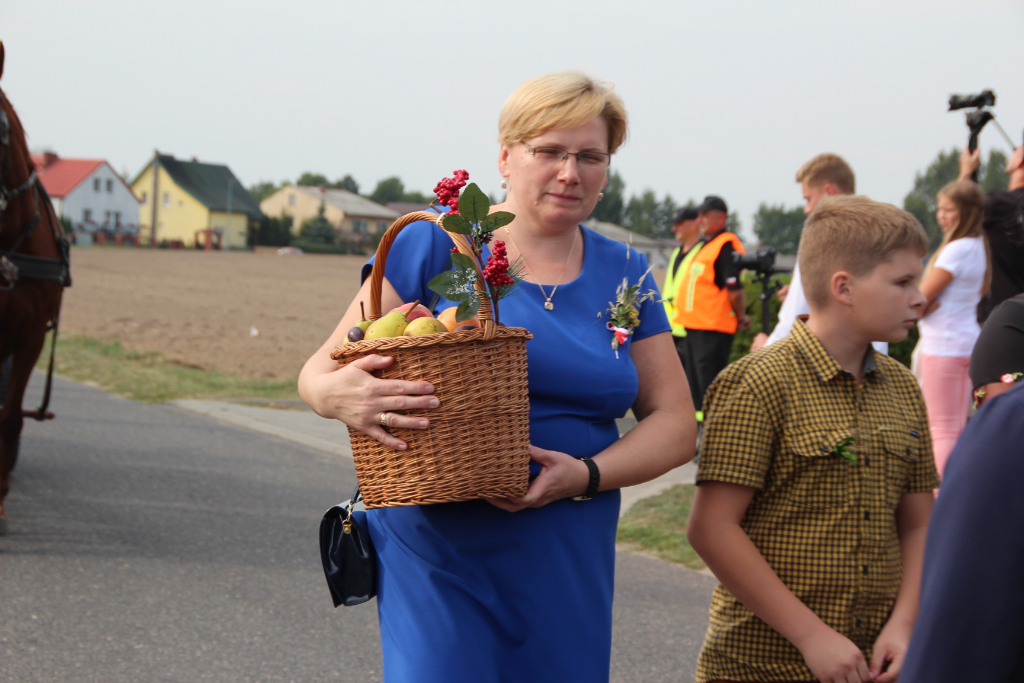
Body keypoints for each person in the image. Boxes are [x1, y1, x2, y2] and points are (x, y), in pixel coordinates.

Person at [297, 71, 696, 683]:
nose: (571, 172)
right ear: (505, 157)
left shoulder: (627, 272)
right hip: (439, 541)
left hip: (569, 544)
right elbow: (318, 374)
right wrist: (339, 396)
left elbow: (674, 423)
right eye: (550, 151)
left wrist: (586, 475)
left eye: (591, 156)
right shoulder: (440, 243)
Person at [687, 196, 938, 683]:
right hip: (763, 664)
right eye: (902, 282)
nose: (920, 297)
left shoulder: (904, 386)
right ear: (843, 287)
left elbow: (918, 525)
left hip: (873, 662)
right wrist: (811, 636)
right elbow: (712, 528)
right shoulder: (758, 383)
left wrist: (905, 625)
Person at [900, 293, 1024, 683]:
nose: (917, 296)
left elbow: (954, 645)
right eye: (977, 397)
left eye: (1011, 381)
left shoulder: (1009, 430)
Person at [750, 153, 888, 356]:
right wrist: (813, 296)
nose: (806, 209)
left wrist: (766, 348)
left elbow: (793, 320)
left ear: (829, 192)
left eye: (808, 199)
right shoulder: (881, 234)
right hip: (876, 362)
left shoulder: (819, 242)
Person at [917, 180, 990, 477]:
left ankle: (939, 496)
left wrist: (922, 302)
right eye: (940, 208)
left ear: (966, 213)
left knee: (941, 428)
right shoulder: (977, 246)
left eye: (949, 209)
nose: (941, 215)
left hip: (942, 347)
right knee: (957, 426)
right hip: (965, 343)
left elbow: (919, 299)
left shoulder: (955, 249)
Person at [674, 195, 748, 418]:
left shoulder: (725, 245)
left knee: (710, 388)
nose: (701, 219)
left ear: (721, 217)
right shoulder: (708, 245)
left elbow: (735, 288)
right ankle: (699, 437)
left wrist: (741, 315)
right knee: (695, 390)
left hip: (713, 329)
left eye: (706, 215)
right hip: (696, 327)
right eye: (700, 215)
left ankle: (713, 439)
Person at [957, 142, 1024, 322]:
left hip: (998, 317)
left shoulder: (998, 204)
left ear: (1020, 161)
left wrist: (966, 173)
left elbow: (956, 217)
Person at [662, 205, 703, 407]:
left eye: (680, 223)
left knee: (694, 386)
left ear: (695, 223)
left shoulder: (703, 252)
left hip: (691, 329)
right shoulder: (677, 253)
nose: (674, 228)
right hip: (671, 328)